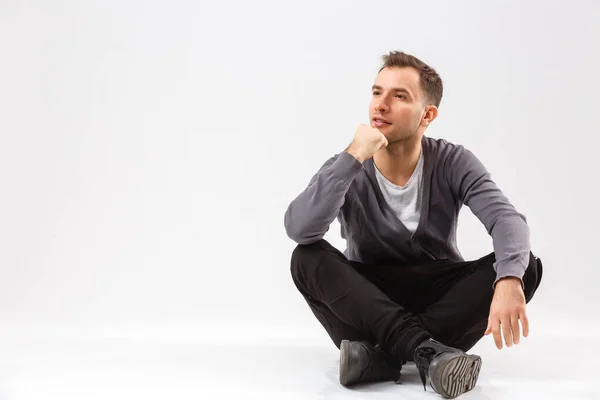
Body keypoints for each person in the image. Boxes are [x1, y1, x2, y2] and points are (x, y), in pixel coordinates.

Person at [284, 50, 543, 399]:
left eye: (399, 96)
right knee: (306, 257)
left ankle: (380, 359)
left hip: (436, 292)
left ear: (427, 115)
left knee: (526, 265)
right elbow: (300, 228)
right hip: (367, 300)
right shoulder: (347, 165)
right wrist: (352, 159)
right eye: (377, 92)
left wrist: (510, 278)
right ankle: (427, 351)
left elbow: (506, 220)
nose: (381, 105)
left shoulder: (452, 161)